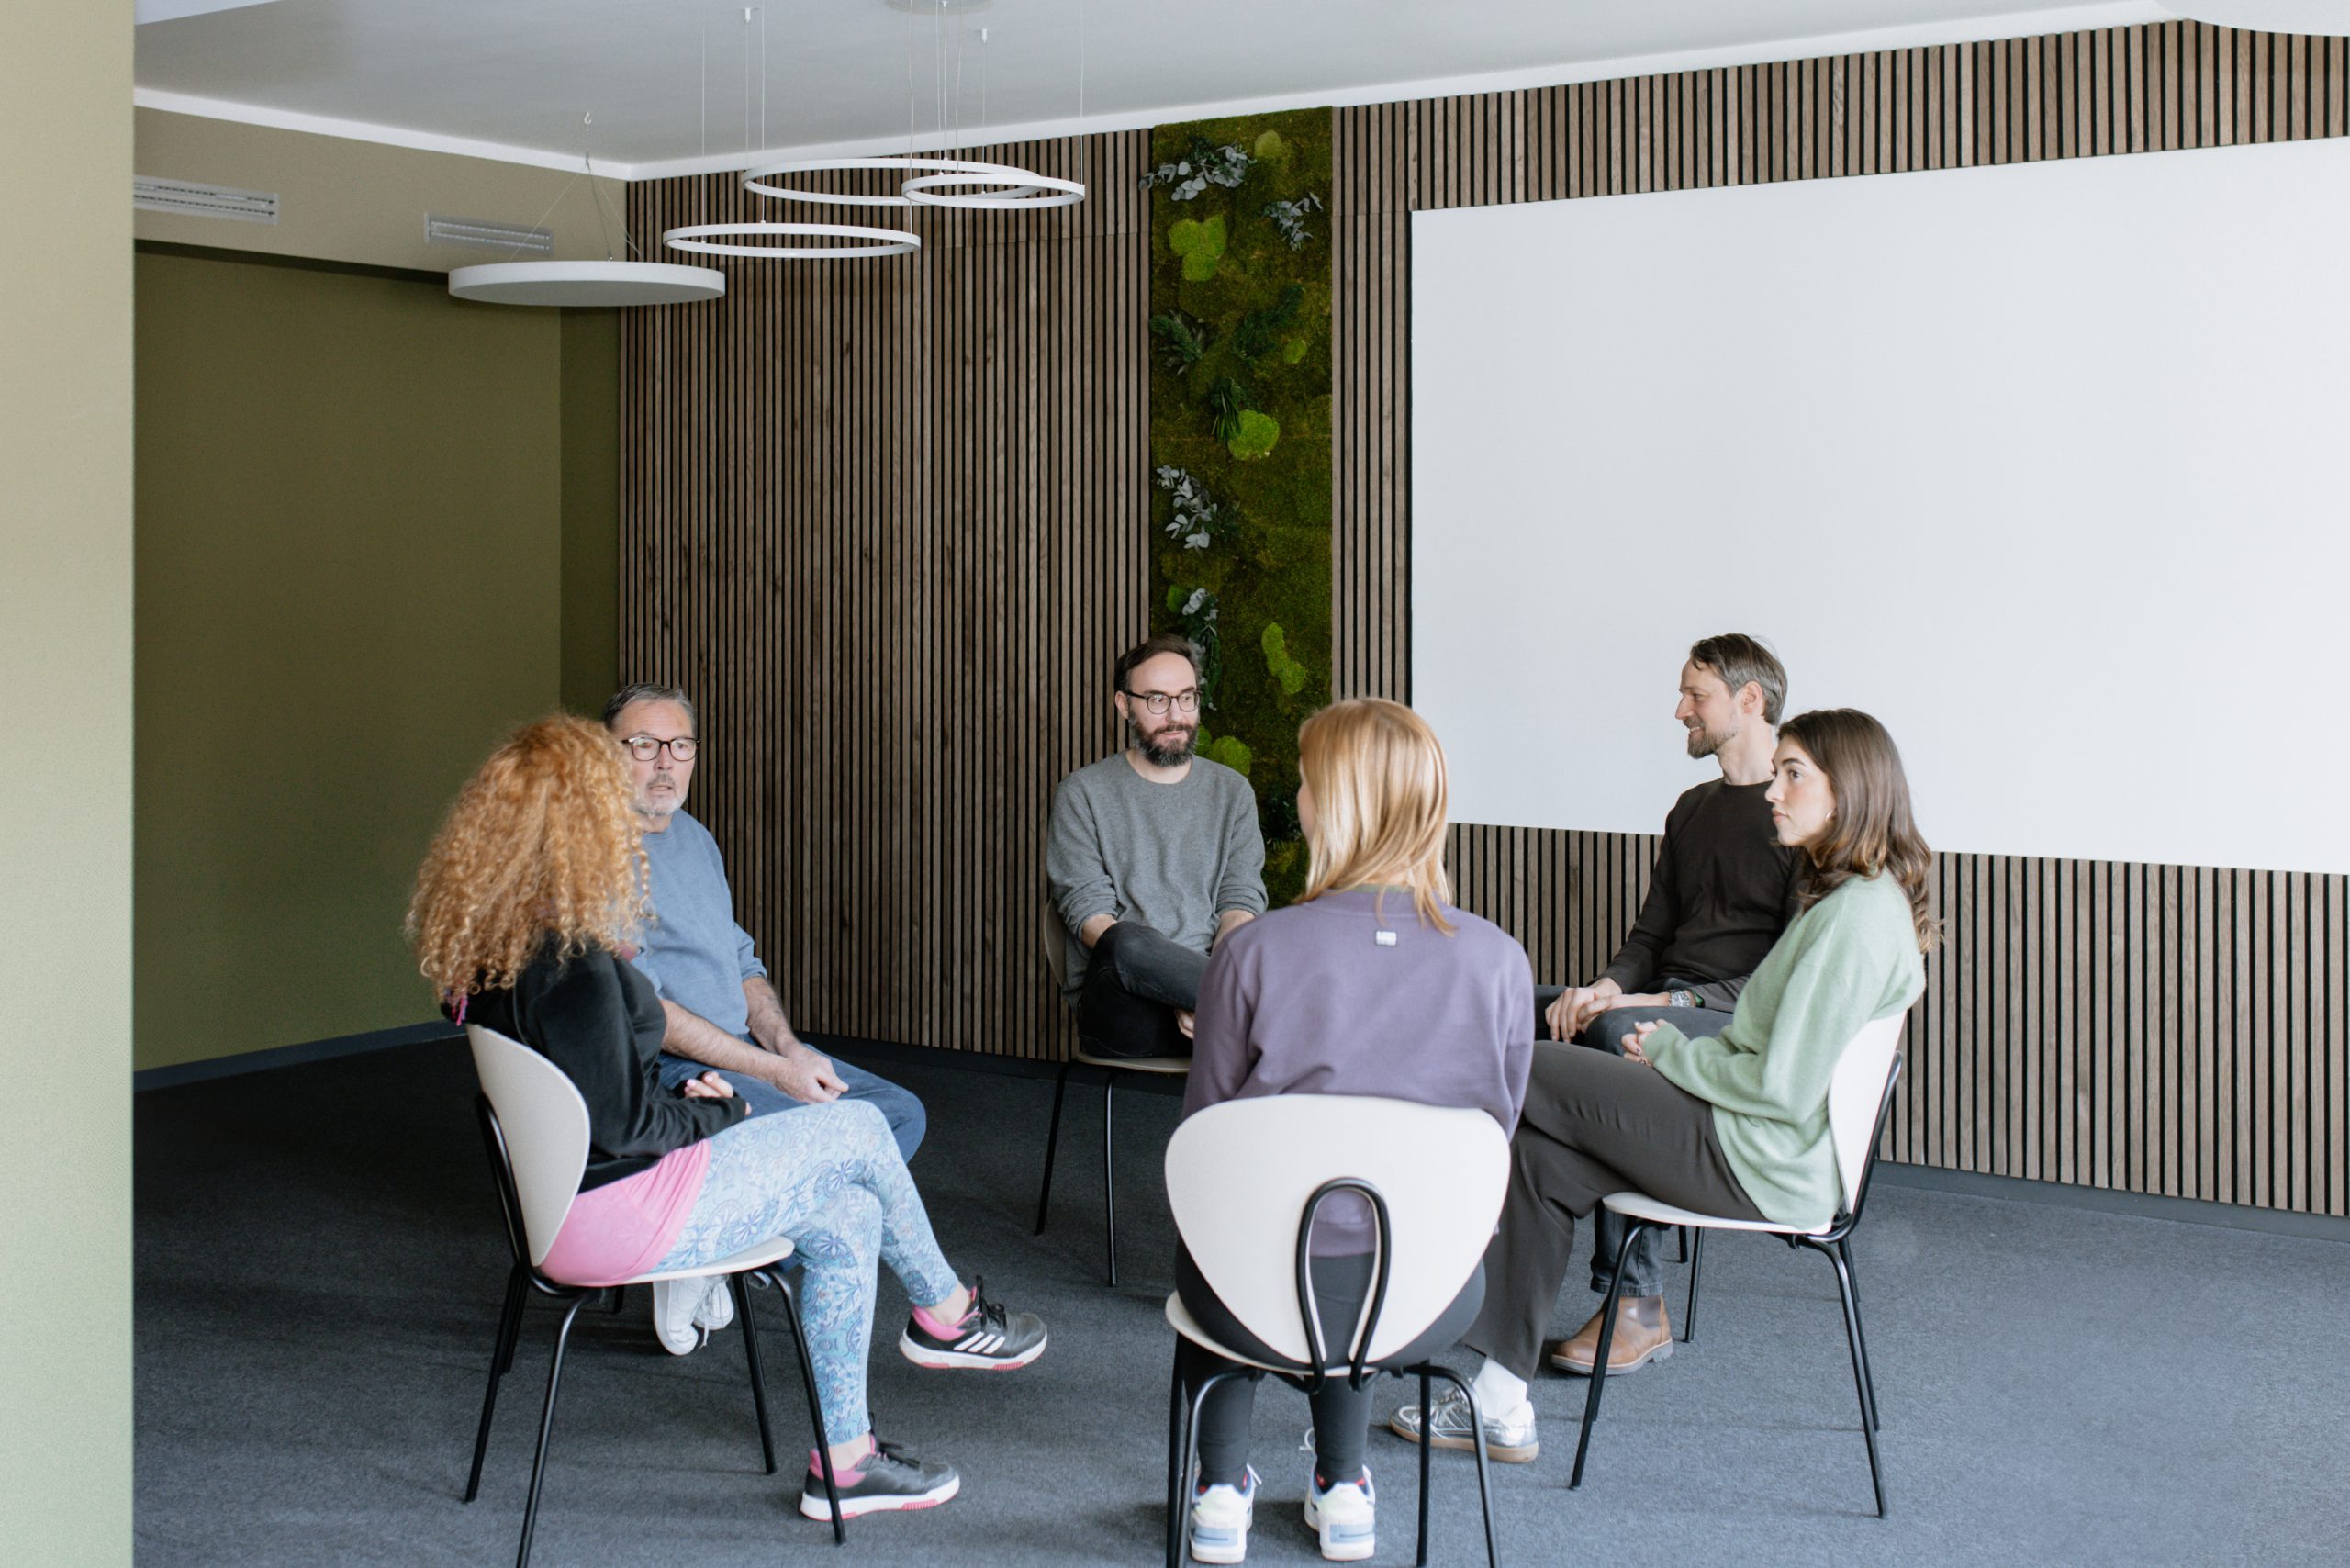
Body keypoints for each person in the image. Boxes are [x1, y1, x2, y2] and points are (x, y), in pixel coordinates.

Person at [408, 715, 1046, 1520]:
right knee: (857, 1129)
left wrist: (684, 1100)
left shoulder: (503, 943)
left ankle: (846, 1463)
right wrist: (717, 1114)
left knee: (850, 1209)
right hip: (612, 1212)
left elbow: (600, 1098)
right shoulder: (569, 961)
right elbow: (628, 1128)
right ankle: (946, 1313)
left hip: (571, 1201)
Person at [1392, 708, 1933, 1465]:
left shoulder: (1855, 922)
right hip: (1747, 1140)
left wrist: (1676, 1052)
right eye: (1777, 771)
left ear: (1850, 792)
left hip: (1754, 1154)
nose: (1773, 791)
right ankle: (1498, 1401)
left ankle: (1393, 1256)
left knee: (1522, 1064)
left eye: (1793, 775)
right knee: (1543, 1162)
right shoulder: (1855, 904)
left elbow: (1780, 1088)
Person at [1177, 700, 1532, 1564]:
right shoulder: (1498, 961)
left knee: (1225, 1235)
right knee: (1365, 1243)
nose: (1296, 796)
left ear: (1333, 804)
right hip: (1430, 1295)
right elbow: (1499, 1128)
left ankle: (1220, 1491)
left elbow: (1204, 1141)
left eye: (1304, 781)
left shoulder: (1254, 952)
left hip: (1250, 1295)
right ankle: (1343, 1485)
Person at [1531, 633, 1801, 1376]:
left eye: (1696, 695)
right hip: (1660, 998)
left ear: (1750, 701)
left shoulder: (1802, 815)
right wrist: (1608, 986)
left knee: (1623, 1034)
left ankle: (1637, 1303)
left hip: (1728, 1019)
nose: (1680, 709)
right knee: (1512, 1008)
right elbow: (1649, 935)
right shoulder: (1690, 810)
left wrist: (1651, 1002)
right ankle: (1493, 1249)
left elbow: (1777, 982)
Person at [1047, 633, 1268, 1058]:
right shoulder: (1083, 793)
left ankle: (1222, 1004)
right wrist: (1181, 992)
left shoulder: (1232, 792)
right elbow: (1089, 916)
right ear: (1123, 704)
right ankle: (1241, 1009)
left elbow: (1240, 902)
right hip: (1122, 1006)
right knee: (1127, 941)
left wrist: (1199, 993)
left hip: (1208, 1003)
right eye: (1156, 700)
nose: (1175, 716)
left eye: (1187, 698)